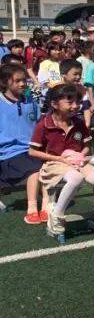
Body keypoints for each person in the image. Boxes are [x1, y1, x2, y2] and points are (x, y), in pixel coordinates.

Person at [28, 83, 94, 238]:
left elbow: (86, 146)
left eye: (78, 102)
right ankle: (57, 215)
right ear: (54, 104)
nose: (76, 106)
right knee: (75, 178)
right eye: (70, 102)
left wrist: (81, 155)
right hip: (55, 163)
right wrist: (60, 158)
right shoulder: (44, 125)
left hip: (78, 160)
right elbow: (33, 151)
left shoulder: (78, 123)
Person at [0, 62, 45, 224]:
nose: (23, 84)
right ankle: (32, 208)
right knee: (34, 168)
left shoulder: (30, 101)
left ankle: (47, 205)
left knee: (51, 164)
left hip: (32, 149)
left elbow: (40, 124)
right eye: (18, 80)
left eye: (24, 80)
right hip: (9, 152)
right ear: (5, 82)